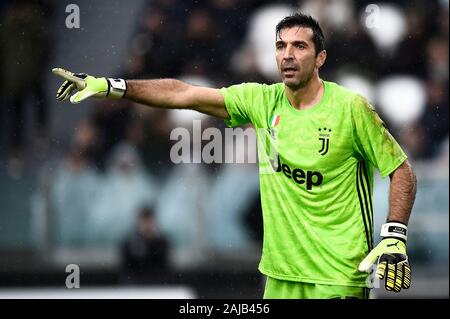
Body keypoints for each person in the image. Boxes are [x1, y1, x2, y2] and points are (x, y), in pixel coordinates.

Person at [52, 13, 417, 299]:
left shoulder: (350, 109)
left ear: (320, 57)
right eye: (281, 46)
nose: (288, 55)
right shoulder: (261, 101)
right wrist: (112, 87)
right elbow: (184, 94)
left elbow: (401, 171)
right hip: (281, 277)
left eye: (300, 47)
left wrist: (394, 236)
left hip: (338, 276)